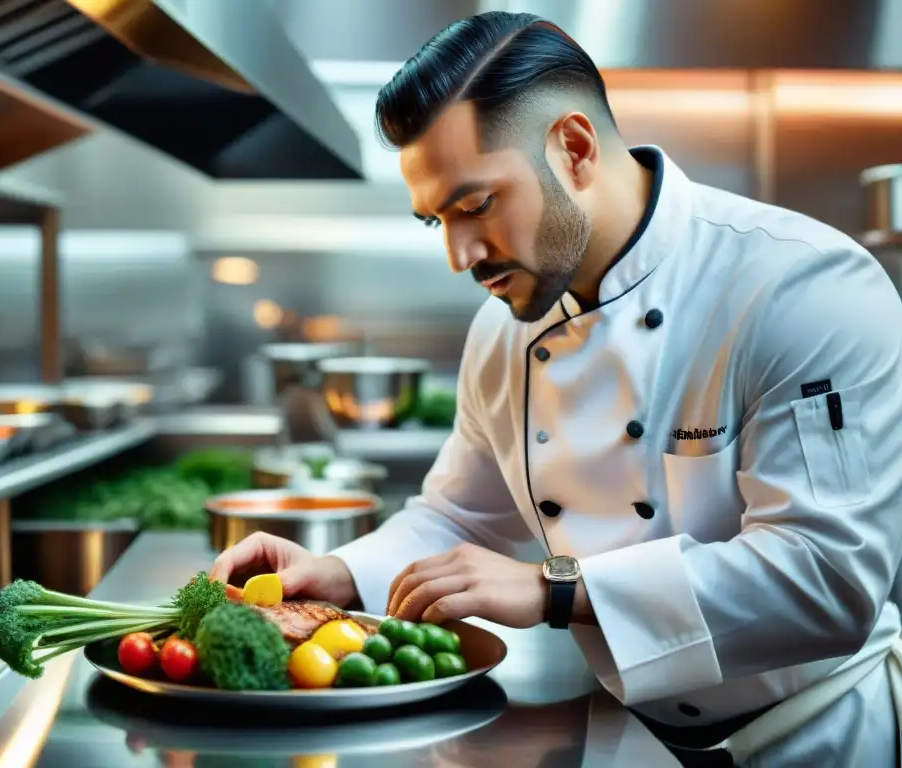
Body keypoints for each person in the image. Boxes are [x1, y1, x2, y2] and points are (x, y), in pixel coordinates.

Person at [211, 11, 902, 767]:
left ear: (573, 149)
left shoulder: (799, 285)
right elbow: (461, 517)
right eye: (435, 220)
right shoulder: (503, 330)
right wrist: (342, 574)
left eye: (475, 206)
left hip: (812, 737)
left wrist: (556, 588)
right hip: (629, 736)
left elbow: (826, 579)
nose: (458, 253)